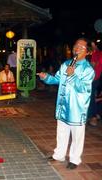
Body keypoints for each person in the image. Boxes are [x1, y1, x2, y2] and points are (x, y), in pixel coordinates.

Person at [37, 38, 95, 170]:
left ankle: (75, 159)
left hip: (77, 109)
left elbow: (84, 89)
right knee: (61, 132)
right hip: (63, 105)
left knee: (77, 136)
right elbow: (57, 79)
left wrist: (73, 75)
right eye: (76, 46)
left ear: (87, 52)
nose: (77, 48)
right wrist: (46, 77)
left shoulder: (88, 70)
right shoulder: (66, 64)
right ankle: (59, 155)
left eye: (81, 47)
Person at [87, 41, 102, 126]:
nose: (92, 46)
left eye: (93, 44)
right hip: (94, 78)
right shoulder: (96, 53)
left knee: (91, 97)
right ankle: (94, 115)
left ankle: (94, 116)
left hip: (94, 79)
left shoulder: (97, 54)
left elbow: (94, 65)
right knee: (91, 97)